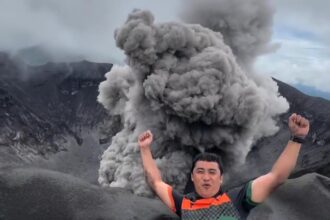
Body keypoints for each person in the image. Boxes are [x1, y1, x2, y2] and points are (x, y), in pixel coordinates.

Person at [138, 113, 309, 219]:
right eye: (200, 171)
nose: (206, 177)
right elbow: (155, 182)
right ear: (192, 177)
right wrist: (145, 149)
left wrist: (297, 138)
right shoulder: (183, 204)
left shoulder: (238, 199)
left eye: (212, 172)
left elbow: (276, 177)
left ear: (221, 178)